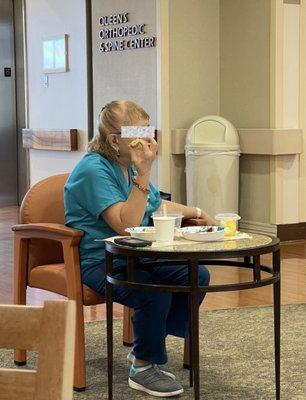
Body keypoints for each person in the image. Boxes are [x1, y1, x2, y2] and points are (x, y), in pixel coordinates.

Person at [64, 100, 214, 397]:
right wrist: (144, 173)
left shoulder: (124, 164)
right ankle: (143, 367)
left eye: (148, 132)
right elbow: (125, 224)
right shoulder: (94, 169)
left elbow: (156, 205)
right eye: (138, 134)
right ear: (114, 140)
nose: (147, 142)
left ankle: (146, 346)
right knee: (152, 289)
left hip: (137, 255)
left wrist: (196, 211)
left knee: (197, 275)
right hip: (100, 260)